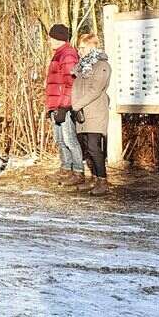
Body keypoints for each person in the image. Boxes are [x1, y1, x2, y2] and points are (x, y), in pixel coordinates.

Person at [70, 32, 112, 196]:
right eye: (79, 48)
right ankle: (94, 177)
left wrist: (76, 105)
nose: (79, 51)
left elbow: (95, 90)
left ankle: (103, 180)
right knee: (87, 146)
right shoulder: (83, 66)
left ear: (91, 47)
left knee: (94, 146)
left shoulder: (101, 65)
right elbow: (77, 88)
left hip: (95, 111)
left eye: (82, 48)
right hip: (83, 111)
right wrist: (75, 106)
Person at [45, 23, 84, 185]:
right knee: (60, 140)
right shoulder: (59, 54)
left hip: (64, 106)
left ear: (57, 38)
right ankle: (66, 168)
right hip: (56, 104)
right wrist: (52, 106)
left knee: (70, 140)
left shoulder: (67, 55)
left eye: (50, 38)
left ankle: (78, 172)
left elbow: (71, 83)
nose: (49, 41)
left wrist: (64, 106)